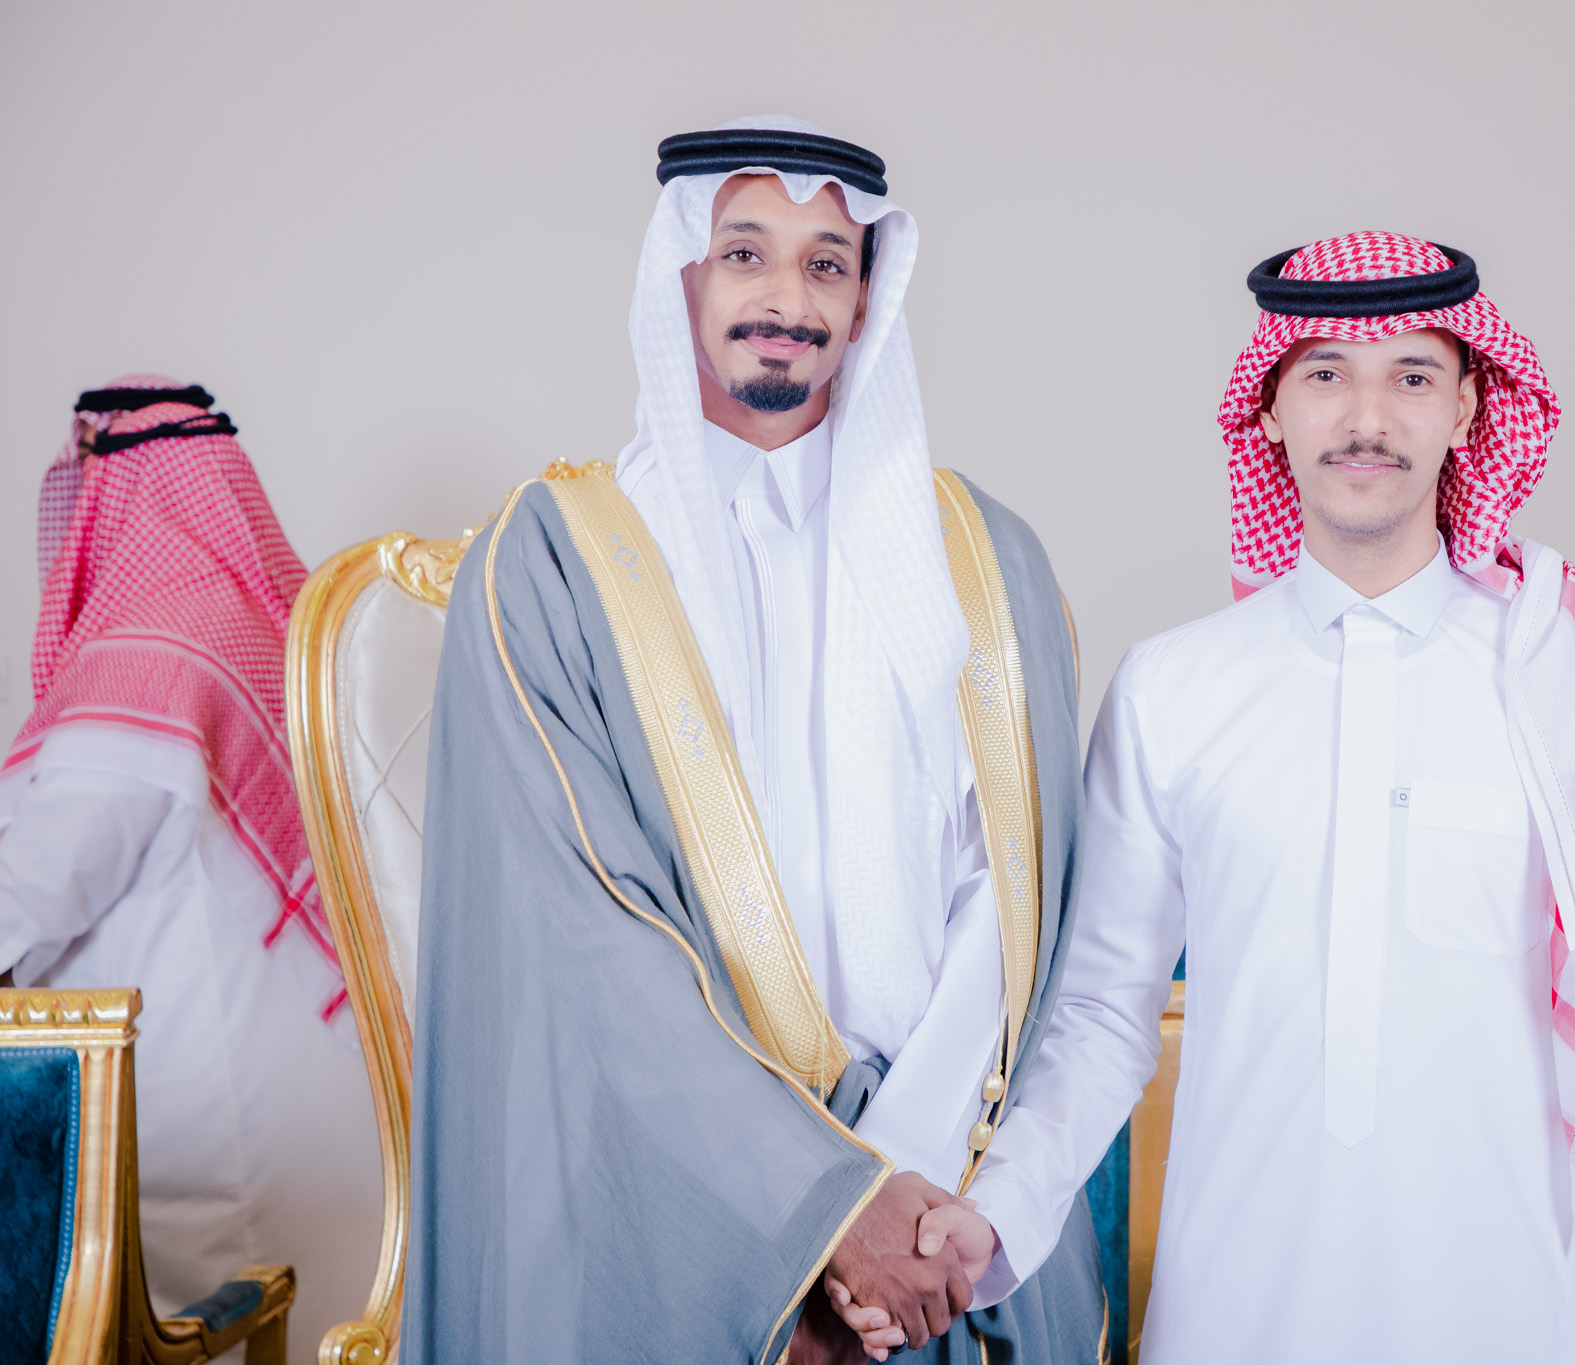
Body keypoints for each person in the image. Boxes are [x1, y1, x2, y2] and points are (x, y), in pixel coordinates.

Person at [942, 233, 1575, 1361]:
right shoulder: (1172, 690)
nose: (1366, 418)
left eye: (1410, 376)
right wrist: (991, 1216)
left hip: (1524, 1321)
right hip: (1237, 1317)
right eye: (1325, 375)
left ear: (1467, 407)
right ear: (1268, 410)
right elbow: (1102, 1016)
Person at [400, 117, 1105, 1365]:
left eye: (825, 262)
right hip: (657, 1214)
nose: (786, 296)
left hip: (939, 1229)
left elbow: (1011, 915)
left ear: (866, 296)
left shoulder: (987, 561)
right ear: (680, 274)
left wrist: (895, 1215)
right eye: (744, 253)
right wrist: (814, 1218)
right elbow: (586, 944)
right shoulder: (549, 563)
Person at [0, 378, 384, 1359]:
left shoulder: (147, 652)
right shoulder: (264, 634)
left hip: (194, 1119)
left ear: (111, 491)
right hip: (321, 1100)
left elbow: (34, 887)